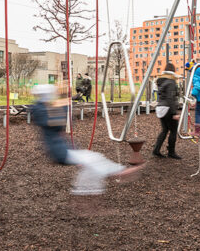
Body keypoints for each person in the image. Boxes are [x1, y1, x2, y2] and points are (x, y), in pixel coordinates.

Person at [31, 84, 143, 214]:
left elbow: (63, 125)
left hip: (63, 148)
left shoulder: (45, 107)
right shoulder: (39, 109)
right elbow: (55, 122)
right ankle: (117, 173)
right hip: (58, 151)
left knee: (92, 164)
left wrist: (64, 106)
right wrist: (65, 105)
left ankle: (87, 201)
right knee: (94, 161)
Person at [152, 63, 181, 159]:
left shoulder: (161, 81)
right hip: (168, 108)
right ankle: (171, 152)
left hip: (160, 107)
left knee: (164, 130)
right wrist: (174, 113)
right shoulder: (171, 82)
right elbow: (170, 98)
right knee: (173, 130)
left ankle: (156, 150)